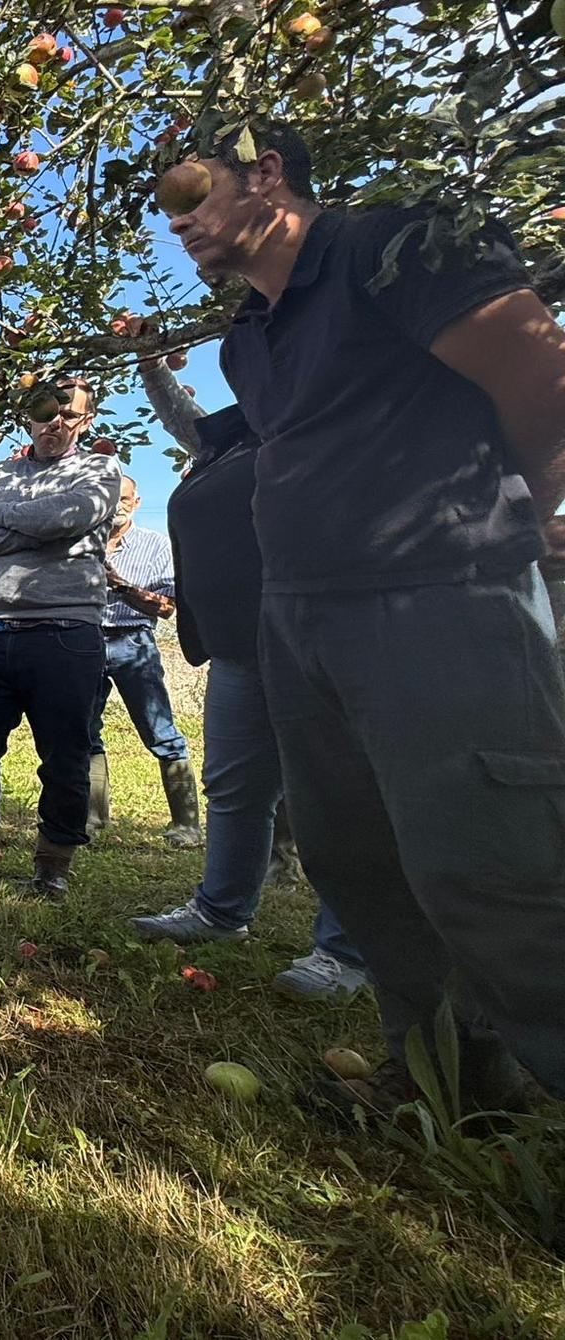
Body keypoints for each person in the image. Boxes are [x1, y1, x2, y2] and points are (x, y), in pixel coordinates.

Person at [166, 119, 565, 1111]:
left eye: (187, 191)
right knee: (358, 859)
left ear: (262, 173)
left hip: (439, 598)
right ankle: (444, 1080)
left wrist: (515, 507)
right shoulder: (246, 338)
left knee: (493, 867)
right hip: (299, 618)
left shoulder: (389, 245)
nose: (176, 222)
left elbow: (537, 375)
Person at [124, 357, 367, 1001]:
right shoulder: (235, 436)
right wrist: (152, 364)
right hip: (239, 640)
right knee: (235, 785)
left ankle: (345, 949)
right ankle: (221, 911)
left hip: (322, 630)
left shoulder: (326, 413)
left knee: (339, 794)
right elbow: (186, 420)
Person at [0, 380, 121, 899]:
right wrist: (38, 534)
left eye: (70, 414)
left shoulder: (99, 470)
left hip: (66, 631)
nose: (56, 423)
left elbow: (70, 515)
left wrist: (5, 520)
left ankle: (52, 869)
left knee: (64, 755)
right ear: (29, 419)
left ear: (86, 421)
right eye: (46, 414)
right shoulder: (0, 472)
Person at [87, 476, 200, 847]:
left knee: (160, 732)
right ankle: (92, 819)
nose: (116, 505)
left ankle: (186, 826)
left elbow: (167, 607)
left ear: (136, 502)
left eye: (124, 499)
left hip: (133, 644)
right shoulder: (83, 543)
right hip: (85, 643)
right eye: (110, 498)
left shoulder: (155, 546)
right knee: (85, 731)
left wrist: (119, 585)